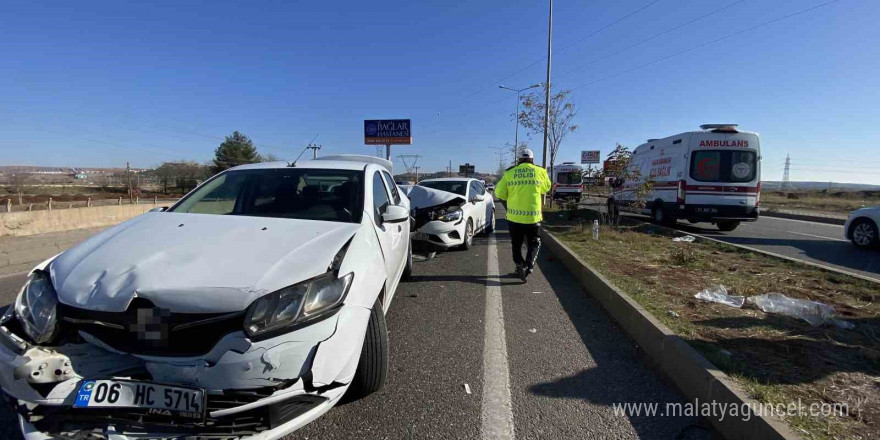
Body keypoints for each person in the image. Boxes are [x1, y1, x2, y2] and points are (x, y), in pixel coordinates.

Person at [494, 149, 551, 281]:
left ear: (519, 160)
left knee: (516, 244)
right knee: (534, 243)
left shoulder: (509, 173)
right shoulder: (540, 171)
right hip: (533, 217)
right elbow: (546, 188)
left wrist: (511, 194)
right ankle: (528, 266)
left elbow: (500, 193)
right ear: (532, 159)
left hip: (514, 218)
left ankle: (520, 264)